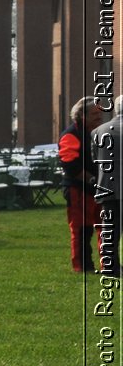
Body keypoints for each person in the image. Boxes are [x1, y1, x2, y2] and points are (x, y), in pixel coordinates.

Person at [60, 96, 106, 273]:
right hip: (79, 190)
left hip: (101, 189)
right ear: (82, 115)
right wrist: (92, 180)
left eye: (99, 113)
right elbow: (70, 164)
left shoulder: (101, 132)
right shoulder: (70, 135)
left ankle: (108, 265)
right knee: (82, 230)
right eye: (94, 114)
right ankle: (82, 266)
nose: (99, 117)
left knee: (106, 229)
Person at [92, 110, 122, 276]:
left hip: (108, 186)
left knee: (110, 230)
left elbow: (94, 158)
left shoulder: (98, 131)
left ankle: (110, 267)